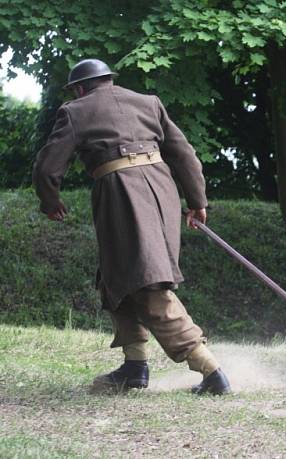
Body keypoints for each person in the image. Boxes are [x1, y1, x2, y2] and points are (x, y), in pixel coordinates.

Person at [32, 58, 231, 395]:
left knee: (147, 282)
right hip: (162, 191)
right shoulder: (149, 102)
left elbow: (47, 166)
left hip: (121, 195)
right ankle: (134, 366)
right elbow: (183, 153)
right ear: (110, 80)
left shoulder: (75, 111)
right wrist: (198, 201)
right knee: (118, 275)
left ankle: (210, 370)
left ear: (80, 88)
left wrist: (50, 202)